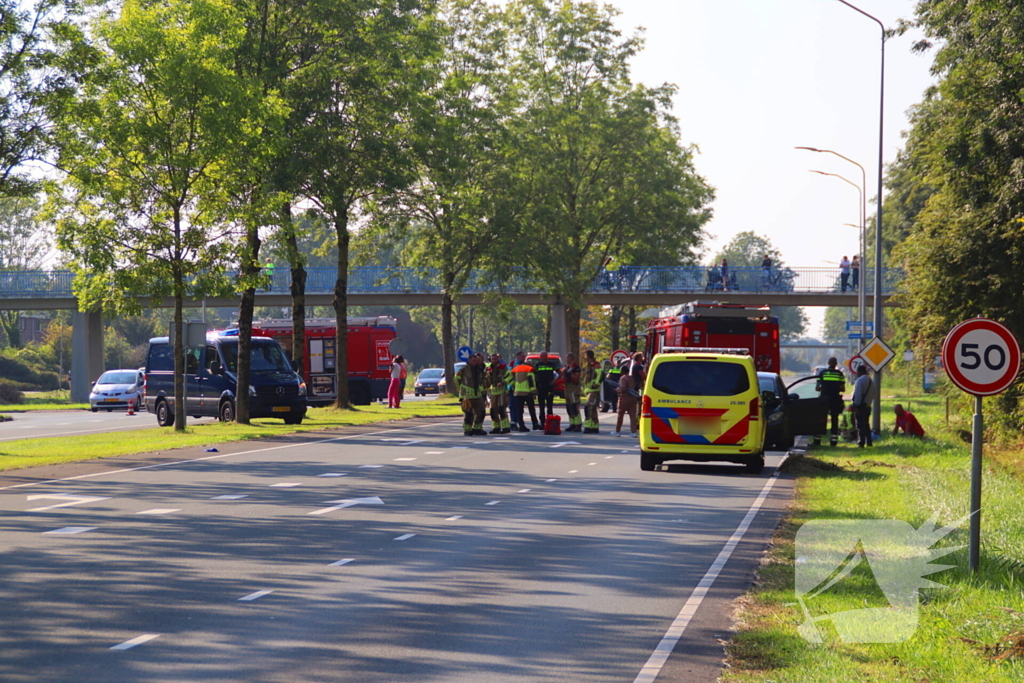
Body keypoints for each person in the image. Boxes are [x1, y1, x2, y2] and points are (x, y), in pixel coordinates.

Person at [813, 357, 846, 447]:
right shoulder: (839, 374)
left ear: (828, 363)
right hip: (835, 399)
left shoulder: (822, 373)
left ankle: (817, 440)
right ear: (836, 364)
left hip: (824, 399)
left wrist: (824, 388)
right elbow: (843, 389)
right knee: (835, 419)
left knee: (821, 418)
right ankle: (833, 441)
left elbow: (817, 388)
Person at [456, 353, 487, 436]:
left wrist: (483, 392)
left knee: (481, 412)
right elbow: (456, 380)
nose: (475, 362)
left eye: (476, 361)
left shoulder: (479, 370)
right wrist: (461, 391)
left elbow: (482, 381)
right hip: (467, 396)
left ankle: (477, 428)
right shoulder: (463, 370)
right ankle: (467, 429)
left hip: (478, 395)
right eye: (473, 361)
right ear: (469, 361)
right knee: (468, 413)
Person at [511, 351, 541, 430]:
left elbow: (508, 378)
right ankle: (535, 424)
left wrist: (514, 385)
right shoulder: (529, 369)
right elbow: (531, 381)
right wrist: (534, 392)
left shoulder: (516, 368)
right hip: (527, 392)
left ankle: (521, 426)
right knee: (531, 409)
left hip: (517, 392)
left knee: (519, 410)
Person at [484, 353, 511, 434]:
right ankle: (496, 427)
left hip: (502, 392)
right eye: (492, 359)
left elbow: (510, 376)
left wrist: (503, 382)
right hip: (493, 393)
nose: (494, 361)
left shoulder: (503, 367)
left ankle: (505, 427)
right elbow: (486, 379)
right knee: (493, 411)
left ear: (498, 359)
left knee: (501, 410)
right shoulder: (489, 368)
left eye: (495, 359)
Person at [614, 364, 639, 437]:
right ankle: (633, 432)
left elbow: (623, 388)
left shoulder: (623, 378)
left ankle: (617, 431)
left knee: (620, 415)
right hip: (633, 398)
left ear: (622, 371)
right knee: (632, 416)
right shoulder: (632, 378)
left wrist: (617, 390)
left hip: (624, 398)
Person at [851, 364, 873, 447]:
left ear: (859, 372)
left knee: (860, 425)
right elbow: (873, 393)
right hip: (868, 405)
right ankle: (869, 441)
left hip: (860, 406)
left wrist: (855, 405)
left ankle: (861, 442)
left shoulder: (860, 381)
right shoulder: (871, 381)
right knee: (866, 424)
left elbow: (858, 394)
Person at [581, 349, 602, 434]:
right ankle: (594, 427)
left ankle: (589, 426)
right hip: (589, 390)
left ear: (588, 356)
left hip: (594, 390)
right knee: (592, 408)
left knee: (589, 406)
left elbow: (600, 374)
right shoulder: (588, 365)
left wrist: (596, 384)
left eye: (585, 355)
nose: (585, 357)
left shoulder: (596, 365)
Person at [560, 352, 582, 432]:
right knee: (569, 407)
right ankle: (572, 424)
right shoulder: (567, 367)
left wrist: (571, 373)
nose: (566, 359)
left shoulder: (576, 367)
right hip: (567, 387)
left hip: (574, 388)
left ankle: (578, 424)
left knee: (574, 406)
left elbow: (577, 378)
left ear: (571, 358)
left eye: (567, 358)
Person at [534, 351, 558, 423]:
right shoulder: (538, 365)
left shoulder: (551, 364)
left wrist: (554, 381)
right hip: (541, 387)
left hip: (549, 387)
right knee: (541, 406)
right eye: (540, 356)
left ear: (546, 356)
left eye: (543, 356)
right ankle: (542, 422)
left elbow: (560, 373)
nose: (541, 358)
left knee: (549, 406)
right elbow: (533, 374)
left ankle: (550, 421)